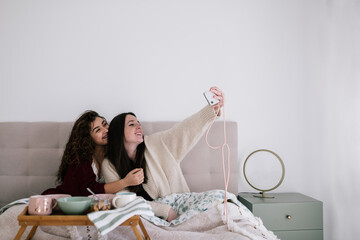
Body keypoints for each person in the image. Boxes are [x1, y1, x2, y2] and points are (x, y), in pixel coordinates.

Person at [102, 86, 224, 221]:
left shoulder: (156, 143)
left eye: (139, 123)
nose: (139, 126)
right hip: (146, 217)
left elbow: (184, 131)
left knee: (222, 199)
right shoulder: (109, 164)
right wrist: (164, 211)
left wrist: (212, 110)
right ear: (118, 132)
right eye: (131, 124)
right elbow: (123, 201)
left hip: (180, 206)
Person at [42, 110, 143, 196]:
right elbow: (90, 190)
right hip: (69, 199)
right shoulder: (79, 157)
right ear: (87, 138)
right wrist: (125, 182)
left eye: (105, 124)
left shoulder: (113, 152)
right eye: (98, 130)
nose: (106, 130)